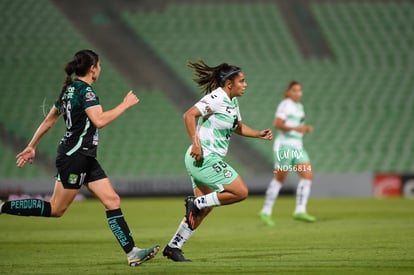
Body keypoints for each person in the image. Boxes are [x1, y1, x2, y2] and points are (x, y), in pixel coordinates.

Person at [0, 49, 159, 266]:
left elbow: (48, 121)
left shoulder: (69, 90)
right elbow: (99, 120)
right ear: (93, 69)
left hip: (83, 156)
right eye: (99, 66)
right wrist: (125, 104)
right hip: (75, 157)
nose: (100, 69)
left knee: (112, 200)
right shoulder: (86, 92)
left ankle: (132, 252)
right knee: (56, 209)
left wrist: (31, 146)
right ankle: (2, 207)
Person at [162, 60, 273, 262]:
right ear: (229, 83)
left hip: (202, 159)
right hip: (203, 156)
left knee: (203, 210)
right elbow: (189, 115)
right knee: (240, 192)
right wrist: (196, 143)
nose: (245, 84)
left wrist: (258, 134)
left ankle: (173, 247)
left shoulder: (233, 102)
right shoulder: (216, 98)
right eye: (242, 81)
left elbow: (238, 127)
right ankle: (195, 202)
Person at [258, 81, 316, 226]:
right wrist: (297, 129)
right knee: (280, 178)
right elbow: (277, 124)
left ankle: (300, 210)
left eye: (300, 90)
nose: (298, 93)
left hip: (298, 147)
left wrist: (304, 129)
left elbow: (297, 126)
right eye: (294, 90)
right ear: (288, 92)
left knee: (307, 175)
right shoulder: (286, 104)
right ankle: (266, 210)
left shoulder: (300, 107)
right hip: (284, 147)